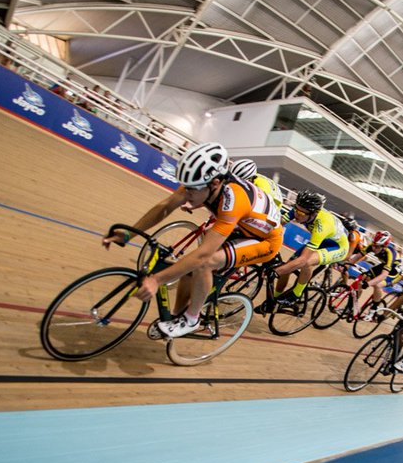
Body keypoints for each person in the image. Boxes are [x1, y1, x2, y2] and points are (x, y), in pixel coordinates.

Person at [104, 142, 283, 337]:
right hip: (243, 226)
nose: (186, 193)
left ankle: (191, 319)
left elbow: (203, 255)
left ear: (214, 183)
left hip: (265, 241)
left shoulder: (234, 201)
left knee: (205, 263)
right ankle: (175, 316)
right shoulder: (204, 182)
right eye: (186, 187)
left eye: (191, 190)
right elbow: (165, 206)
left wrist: (156, 280)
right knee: (188, 267)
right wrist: (131, 233)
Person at [271, 190, 348, 306]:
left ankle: (296, 294)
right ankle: (274, 298)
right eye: (295, 209)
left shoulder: (322, 225)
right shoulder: (301, 209)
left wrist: (276, 272)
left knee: (307, 262)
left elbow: (303, 260)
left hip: (337, 247)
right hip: (323, 241)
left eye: (301, 214)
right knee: (287, 266)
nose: (296, 214)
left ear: (313, 214)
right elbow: (277, 225)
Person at [351, 230, 399, 315]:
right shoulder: (372, 246)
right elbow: (357, 257)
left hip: (394, 271)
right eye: (373, 245)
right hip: (384, 266)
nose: (373, 248)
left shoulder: (390, 253)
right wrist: (347, 265)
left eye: (377, 247)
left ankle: (374, 309)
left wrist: (368, 284)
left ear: (384, 247)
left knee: (377, 285)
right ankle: (352, 306)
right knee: (362, 278)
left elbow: (384, 275)